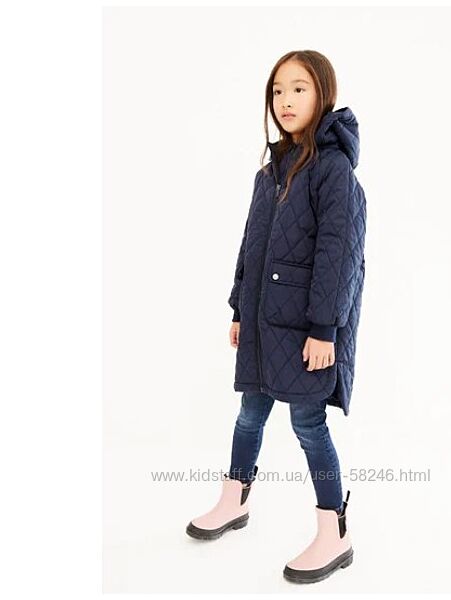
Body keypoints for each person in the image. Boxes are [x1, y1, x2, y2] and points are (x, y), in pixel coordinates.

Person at [186, 50, 367, 585]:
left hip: (307, 329)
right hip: (263, 325)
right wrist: (239, 308)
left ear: (323, 95)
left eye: (299, 89)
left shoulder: (333, 171)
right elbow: (252, 245)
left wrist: (324, 329)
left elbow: (339, 255)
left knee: (308, 424)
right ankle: (234, 500)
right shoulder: (270, 172)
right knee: (249, 414)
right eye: (278, 91)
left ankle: (334, 531)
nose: (285, 100)